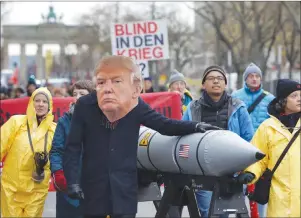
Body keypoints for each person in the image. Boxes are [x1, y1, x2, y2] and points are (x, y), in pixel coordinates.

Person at [63, 55, 221, 218]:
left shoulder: (134, 104)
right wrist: (73, 181)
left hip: (124, 187)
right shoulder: (85, 105)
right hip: (94, 186)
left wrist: (195, 126)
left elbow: (164, 125)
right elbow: (72, 147)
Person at [182, 65, 254, 217]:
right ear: (203, 84)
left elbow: (249, 138)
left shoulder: (238, 107)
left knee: (225, 213)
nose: (216, 81)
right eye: (211, 78)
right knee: (207, 212)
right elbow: (183, 139)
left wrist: (245, 168)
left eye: (220, 78)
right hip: (203, 172)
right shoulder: (192, 108)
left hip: (231, 171)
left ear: (225, 83)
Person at [238, 79, 301, 218]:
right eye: (294, 96)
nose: (299, 99)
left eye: (300, 95)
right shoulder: (268, 127)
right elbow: (258, 158)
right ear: (283, 100)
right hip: (279, 201)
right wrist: (250, 172)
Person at [1, 87, 56, 217]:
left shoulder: (55, 130)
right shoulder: (16, 122)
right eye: (37, 100)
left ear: (49, 105)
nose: (40, 104)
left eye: (44, 101)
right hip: (12, 187)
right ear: (31, 102)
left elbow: (60, 156)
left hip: (37, 188)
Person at [232, 63, 275, 217]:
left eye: (257, 76)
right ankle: (241, 213)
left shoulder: (270, 98)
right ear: (245, 79)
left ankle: (260, 215)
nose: (254, 79)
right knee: (240, 185)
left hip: (262, 149)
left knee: (260, 185)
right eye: (251, 76)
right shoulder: (235, 96)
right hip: (241, 147)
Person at [50, 80, 95, 218]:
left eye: (82, 93)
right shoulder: (64, 121)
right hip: (69, 188)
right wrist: (59, 174)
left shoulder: (102, 120)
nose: (77, 96)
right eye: (75, 93)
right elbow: (56, 151)